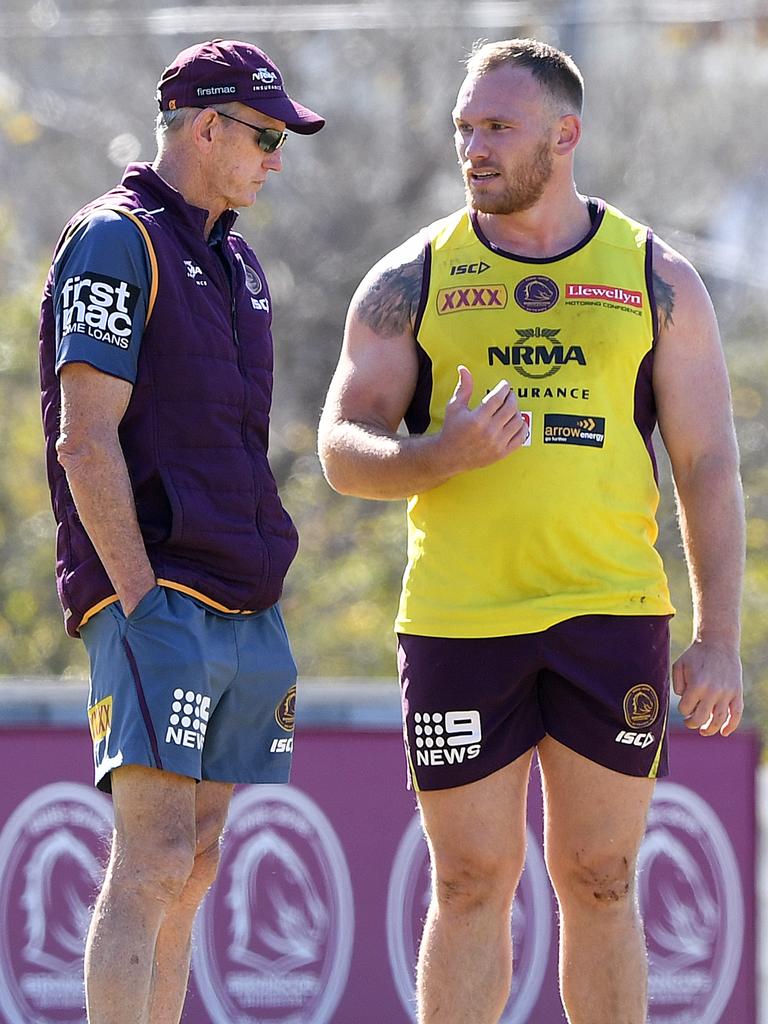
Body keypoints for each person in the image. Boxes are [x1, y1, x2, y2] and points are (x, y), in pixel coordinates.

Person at [318, 37, 744, 1024]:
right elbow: (341, 446)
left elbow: (708, 464)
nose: (473, 146)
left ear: (566, 134)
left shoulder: (654, 274)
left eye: (497, 127)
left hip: (609, 614)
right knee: (471, 879)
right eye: (465, 127)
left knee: (600, 878)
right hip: (461, 620)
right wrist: (436, 457)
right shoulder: (412, 274)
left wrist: (717, 635)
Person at [39, 39, 323, 1024]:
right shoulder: (115, 237)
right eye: (266, 133)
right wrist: (138, 596)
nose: (276, 156)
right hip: (156, 595)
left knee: (196, 862)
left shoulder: (239, 263)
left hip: (243, 599)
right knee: (154, 858)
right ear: (206, 126)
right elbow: (86, 441)